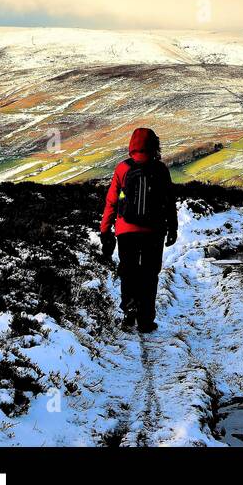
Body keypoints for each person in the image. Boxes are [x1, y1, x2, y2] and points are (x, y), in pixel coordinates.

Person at [100, 127, 177, 333]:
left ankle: (129, 309)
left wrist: (105, 229)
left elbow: (111, 201)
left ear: (132, 145)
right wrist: (173, 228)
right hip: (154, 230)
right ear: (154, 145)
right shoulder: (160, 169)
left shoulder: (122, 169)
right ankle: (145, 320)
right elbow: (169, 201)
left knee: (128, 271)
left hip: (126, 231)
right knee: (150, 274)